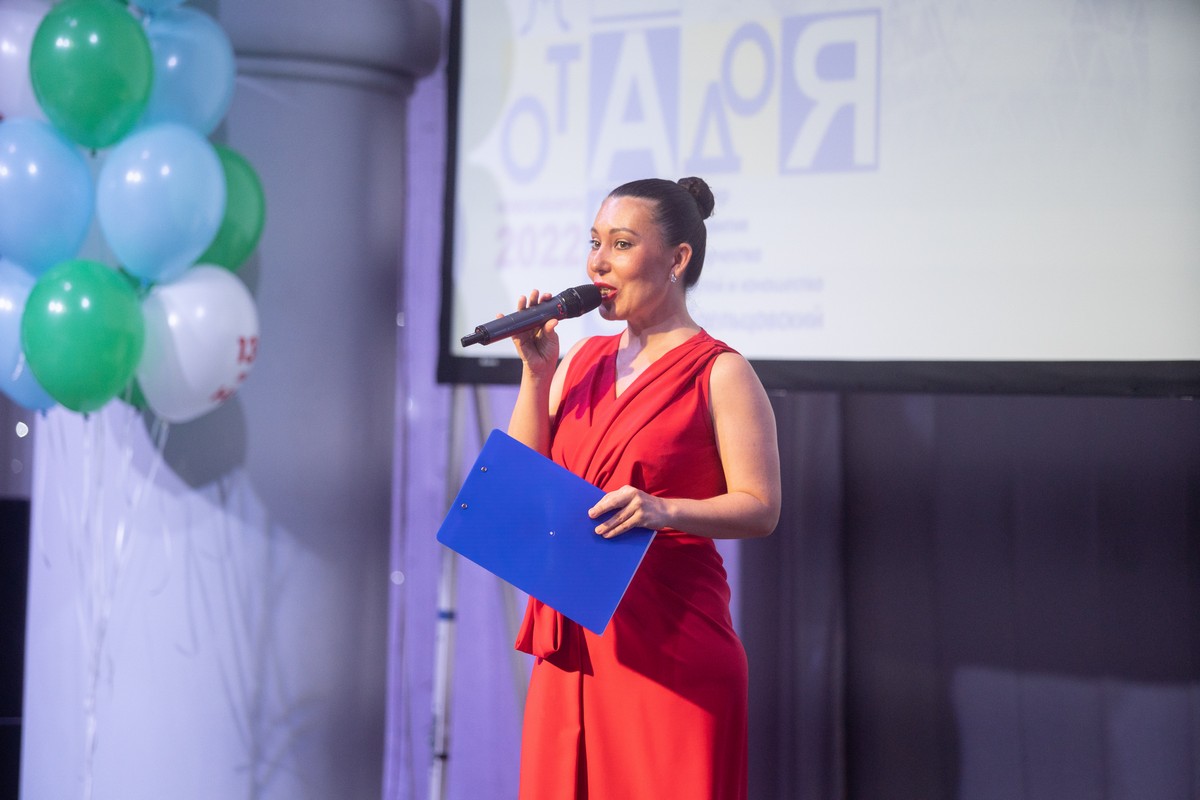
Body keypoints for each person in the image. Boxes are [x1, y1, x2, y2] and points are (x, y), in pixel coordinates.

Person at [506, 176, 782, 799]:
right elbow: (524, 484)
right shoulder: (579, 360)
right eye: (595, 242)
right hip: (576, 642)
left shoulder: (720, 371)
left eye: (622, 244)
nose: (598, 263)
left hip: (670, 647)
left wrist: (662, 509)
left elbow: (761, 508)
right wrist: (535, 376)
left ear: (677, 259)